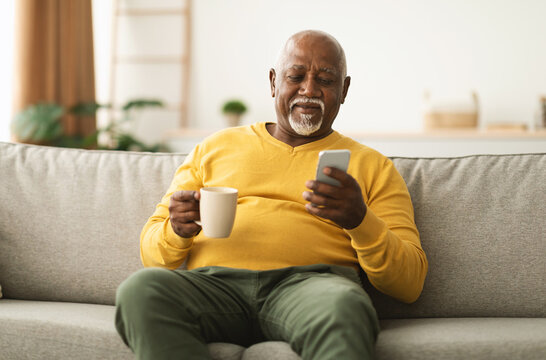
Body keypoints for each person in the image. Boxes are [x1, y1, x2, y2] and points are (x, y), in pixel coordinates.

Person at [115, 30, 428, 360]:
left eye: (325, 79)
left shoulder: (373, 166)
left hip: (312, 289)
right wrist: (176, 230)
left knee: (345, 305)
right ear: (273, 82)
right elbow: (151, 253)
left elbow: (409, 284)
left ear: (344, 90)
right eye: (296, 76)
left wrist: (360, 221)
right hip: (215, 287)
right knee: (141, 290)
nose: (309, 89)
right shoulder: (214, 148)